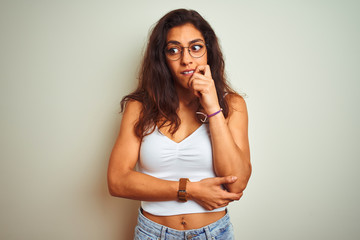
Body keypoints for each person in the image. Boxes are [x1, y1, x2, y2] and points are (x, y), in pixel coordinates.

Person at [107, 8, 251, 240]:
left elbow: (237, 183)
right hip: (153, 234)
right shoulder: (140, 107)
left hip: (214, 233)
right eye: (174, 50)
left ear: (208, 52)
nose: (186, 60)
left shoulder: (232, 105)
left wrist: (213, 106)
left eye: (195, 47)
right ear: (162, 58)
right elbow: (117, 181)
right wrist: (190, 190)